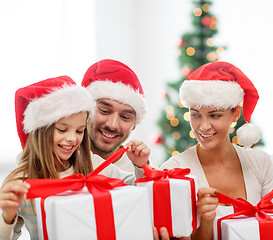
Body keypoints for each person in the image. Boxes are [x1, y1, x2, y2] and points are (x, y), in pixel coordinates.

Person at [0, 76, 150, 239]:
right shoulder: (21, 182)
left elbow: (137, 189)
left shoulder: (93, 164)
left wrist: (140, 167)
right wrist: (7, 218)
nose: (72, 138)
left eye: (79, 131)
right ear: (40, 132)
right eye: (62, 130)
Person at [155, 61, 273, 240]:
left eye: (214, 115)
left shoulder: (261, 163)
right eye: (195, 115)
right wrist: (206, 221)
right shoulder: (174, 171)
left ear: (235, 113)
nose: (203, 126)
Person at [82, 59, 158, 172]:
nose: (112, 125)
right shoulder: (60, 160)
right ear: (85, 110)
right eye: (104, 111)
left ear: (134, 125)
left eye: (125, 117)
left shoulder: (143, 171)